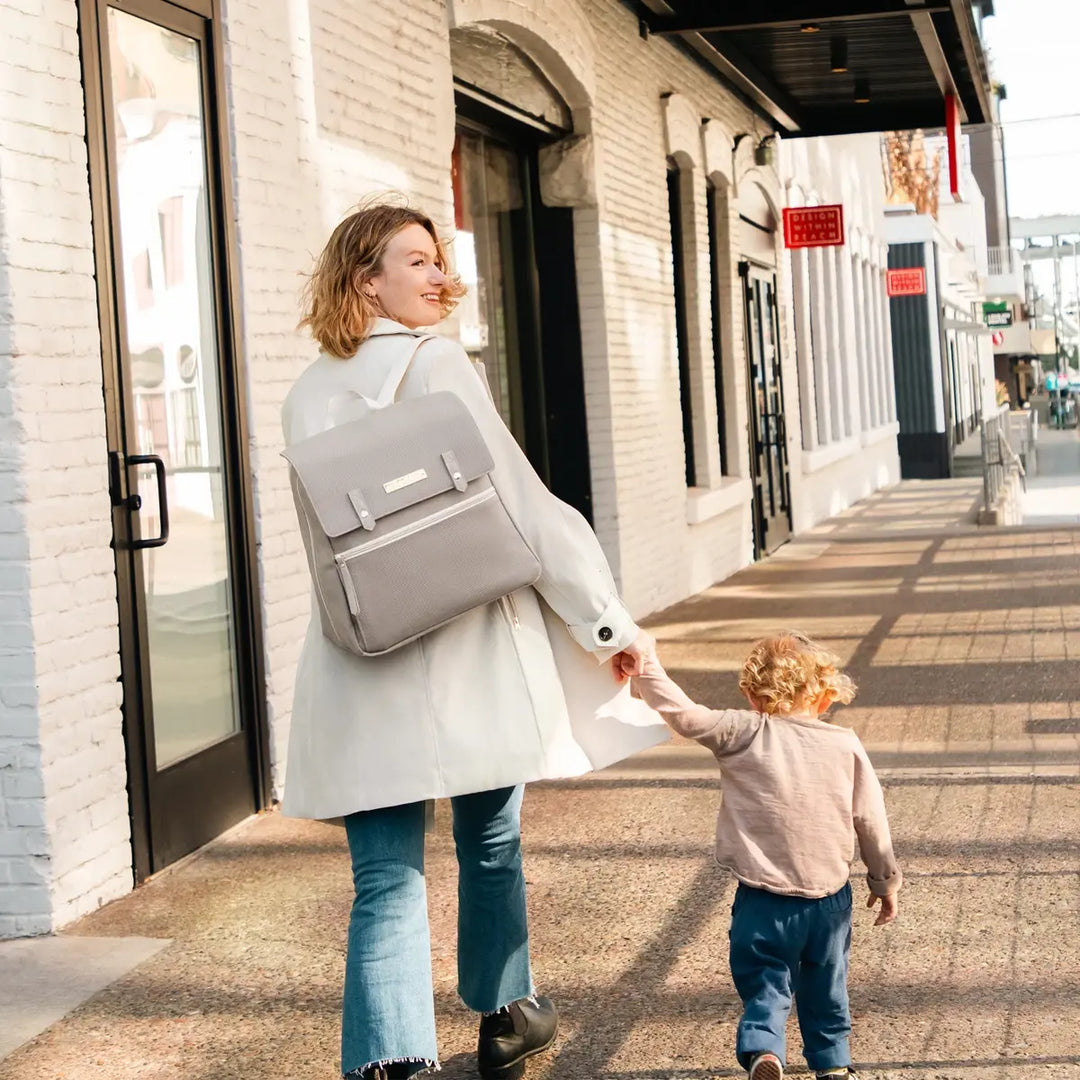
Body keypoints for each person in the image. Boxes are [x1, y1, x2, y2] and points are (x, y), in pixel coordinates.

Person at [281, 200, 668, 1080]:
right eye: (412, 261)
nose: (435, 275)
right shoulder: (437, 361)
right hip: (462, 644)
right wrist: (603, 621)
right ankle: (505, 1010)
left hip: (363, 651)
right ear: (363, 279)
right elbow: (523, 508)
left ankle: (391, 1062)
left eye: (436, 259)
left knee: (385, 874)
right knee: (488, 839)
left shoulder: (309, 389)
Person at [626, 632, 901, 1080]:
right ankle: (832, 1065)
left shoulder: (743, 731)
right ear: (826, 695)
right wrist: (884, 882)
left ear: (753, 695)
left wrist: (647, 665)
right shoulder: (844, 743)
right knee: (826, 987)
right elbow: (870, 819)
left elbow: (684, 714)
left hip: (763, 900)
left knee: (766, 985)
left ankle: (764, 1051)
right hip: (828, 902)